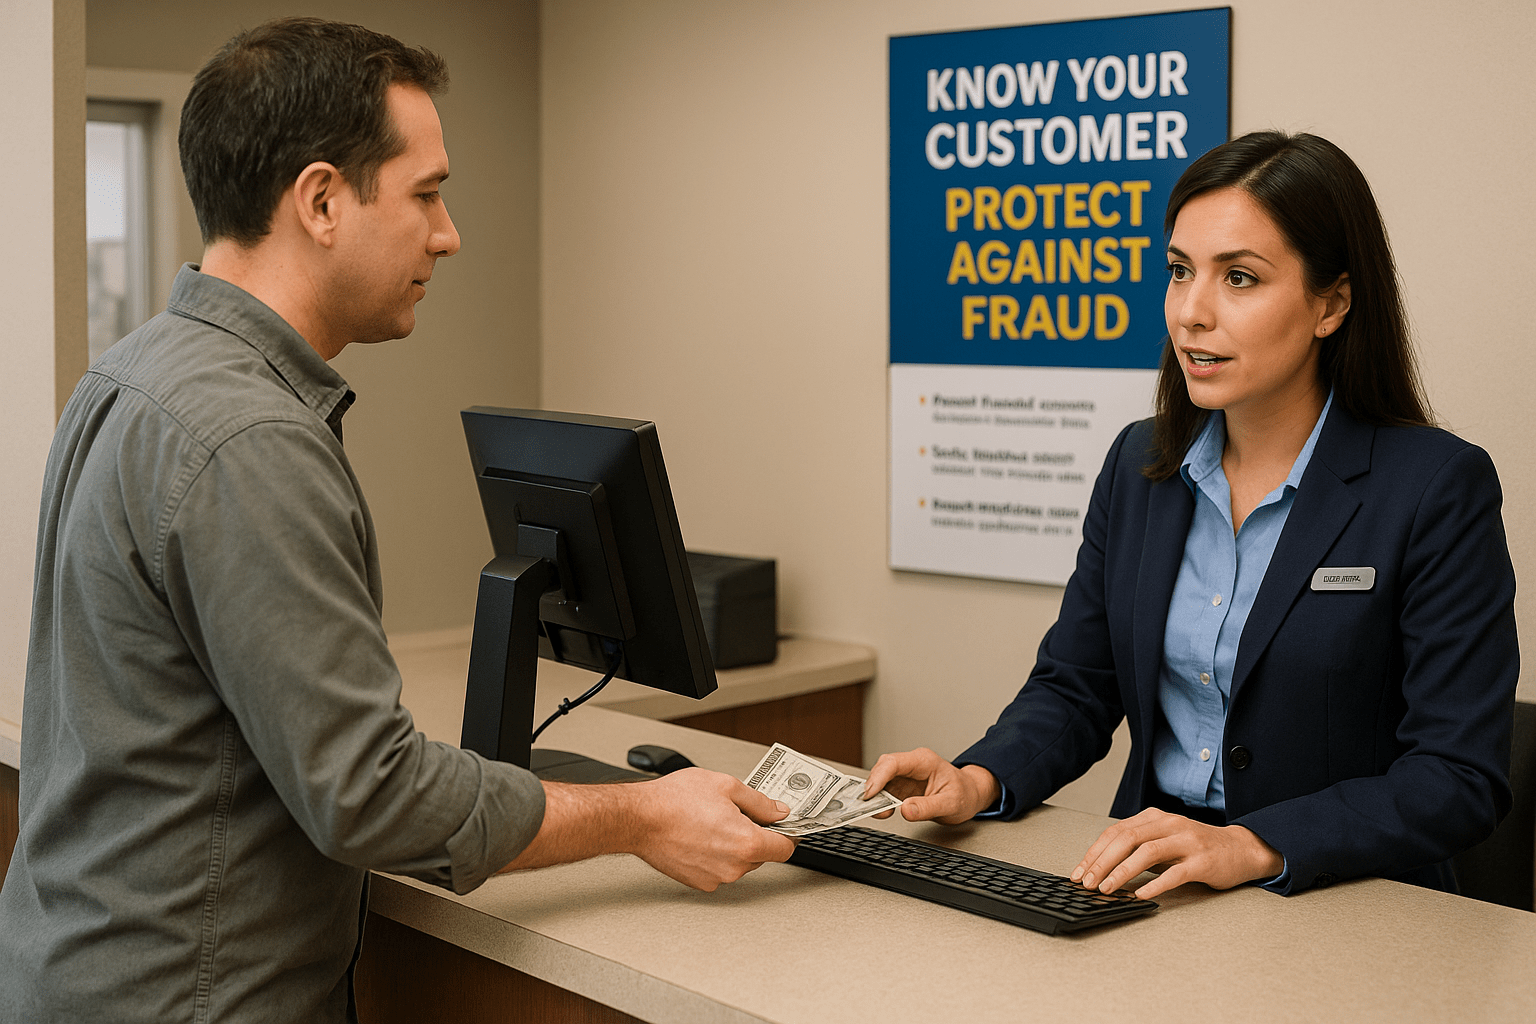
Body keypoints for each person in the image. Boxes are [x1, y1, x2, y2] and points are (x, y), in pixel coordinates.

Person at [0, 18, 792, 1023]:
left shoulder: (131, 372)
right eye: (425, 192)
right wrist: (640, 814)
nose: (448, 232)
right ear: (322, 200)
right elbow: (367, 795)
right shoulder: (247, 436)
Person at [865, 130, 1518, 902]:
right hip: (1152, 884)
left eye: (1239, 278)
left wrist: (1253, 844)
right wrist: (979, 776)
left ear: (1332, 304)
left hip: (1344, 902)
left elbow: (1456, 776)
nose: (1192, 313)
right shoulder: (1141, 466)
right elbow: (1077, 687)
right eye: (1180, 272)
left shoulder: (1437, 486)